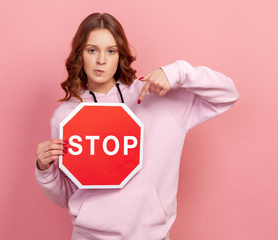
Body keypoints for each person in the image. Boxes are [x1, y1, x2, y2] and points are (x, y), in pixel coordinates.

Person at [35, 12, 239, 240]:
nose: (101, 60)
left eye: (110, 51)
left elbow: (228, 94)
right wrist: (46, 170)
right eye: (92, 50)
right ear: (80, 54)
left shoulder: (158, 96)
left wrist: (178, 71)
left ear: (120, 54)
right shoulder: (65, 115)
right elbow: (67, 195)